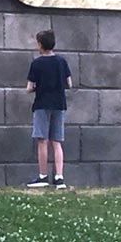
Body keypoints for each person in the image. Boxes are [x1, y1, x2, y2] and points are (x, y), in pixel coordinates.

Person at [25, 29, 72, 190]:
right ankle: (59, 177)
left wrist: (38, 86)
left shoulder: (37, 63)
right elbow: (69, 83)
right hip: (59, 103)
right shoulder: (62, 61)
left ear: (40, 45)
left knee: (42, 140)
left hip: (42, 104)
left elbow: (29, 87)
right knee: (57, 141)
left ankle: (43, 175)